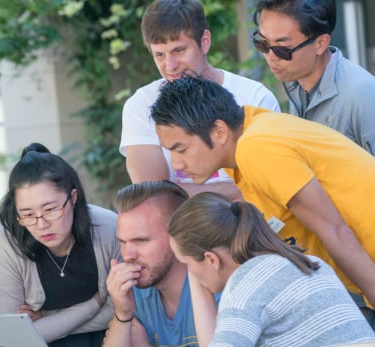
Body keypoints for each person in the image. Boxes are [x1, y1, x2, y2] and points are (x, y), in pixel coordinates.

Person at [150, 76, 375, 327]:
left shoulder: (257, 148)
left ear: (219, 131)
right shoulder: (254, 135)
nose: (177, 164)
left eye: (180, 150)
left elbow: (335, 230)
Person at [92, 192, 375, 347]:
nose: (190, 273)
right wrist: (196, 268)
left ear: (212, 259)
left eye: (188, 264)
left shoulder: (249, 282)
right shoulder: (300, 263)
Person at [0, 143, 119, 347]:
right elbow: (15, 336)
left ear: (73, 197)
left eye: (51, 209)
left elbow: (121, 311)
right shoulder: (6, 243)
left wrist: (45, 320)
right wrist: (93, 305)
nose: (41, 224)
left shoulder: (108, 228)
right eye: (28, 214)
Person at [120, 0, 280, 199]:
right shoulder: (141, 105)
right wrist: (238, 190)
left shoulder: (256, 97)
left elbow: (270, 186)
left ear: (204, 41)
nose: (170, 66)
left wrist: (177, 192)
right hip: (179, 228)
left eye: (179, 51)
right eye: (159, 55)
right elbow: (154, 197)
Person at [95, 181, 218, 347]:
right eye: (123, 242)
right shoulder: (136, 293)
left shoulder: (217, 284)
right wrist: (122, 314)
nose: (128, 255)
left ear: (179, 236)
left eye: (141, 240)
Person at [252, 0, 375, 154]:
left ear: (321, 44)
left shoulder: (363, 95)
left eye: (282, 49)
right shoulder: (297, 84)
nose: (270, 57)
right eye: (262, 43)